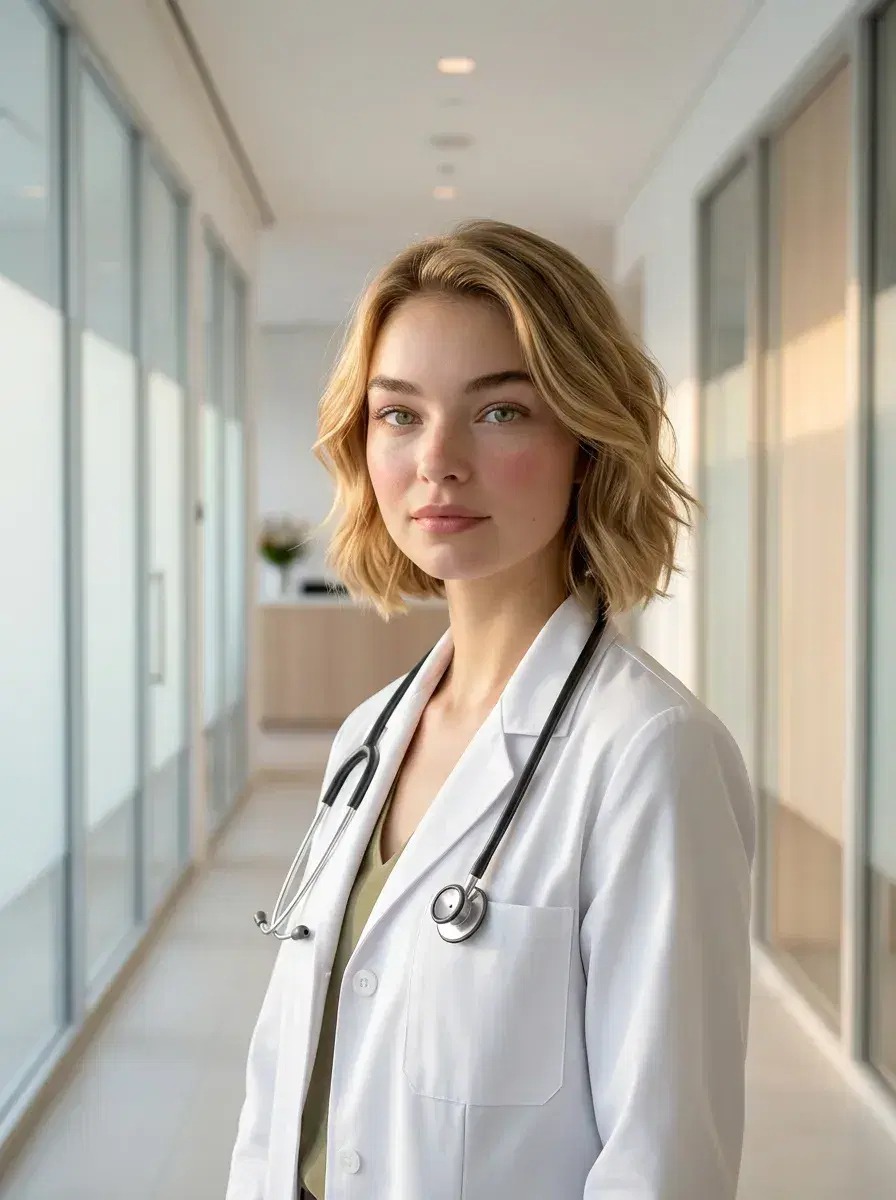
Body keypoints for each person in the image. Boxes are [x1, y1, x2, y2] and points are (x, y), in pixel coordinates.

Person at [227, 219, 755, 1200]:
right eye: (397, 414)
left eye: (500, 411)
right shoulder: (369, 736)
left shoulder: (649, 758)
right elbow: (283, 1081)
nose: (438, 461)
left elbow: (664, 1165)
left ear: (586, 443)